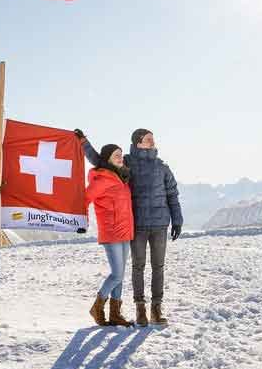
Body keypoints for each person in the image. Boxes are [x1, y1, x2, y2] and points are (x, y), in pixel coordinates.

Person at [76, 128, 183, 327]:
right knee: (137, 267)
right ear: (137, 143)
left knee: (158, 267)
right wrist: (84, 143)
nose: (152, 142)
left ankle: (156, 309)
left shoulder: (162, 167)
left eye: (153, 139)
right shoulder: (128, 164)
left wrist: (177, 219)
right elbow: (101, 160)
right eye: (148, 139)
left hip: (160, 225)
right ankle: (140, 308)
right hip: (138, 226)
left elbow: (172, 195)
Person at [85, 143, 135, 327]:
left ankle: (115, 314)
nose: (120, 157)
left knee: (120, 275)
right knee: (116, 275)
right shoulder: (102, 179)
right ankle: (97, 307)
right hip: (112, 232)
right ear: (107, 158)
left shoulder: (122, 177)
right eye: (116, 155)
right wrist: (82, 222)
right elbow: (84, 198)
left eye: (121, 154)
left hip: (125, 231)